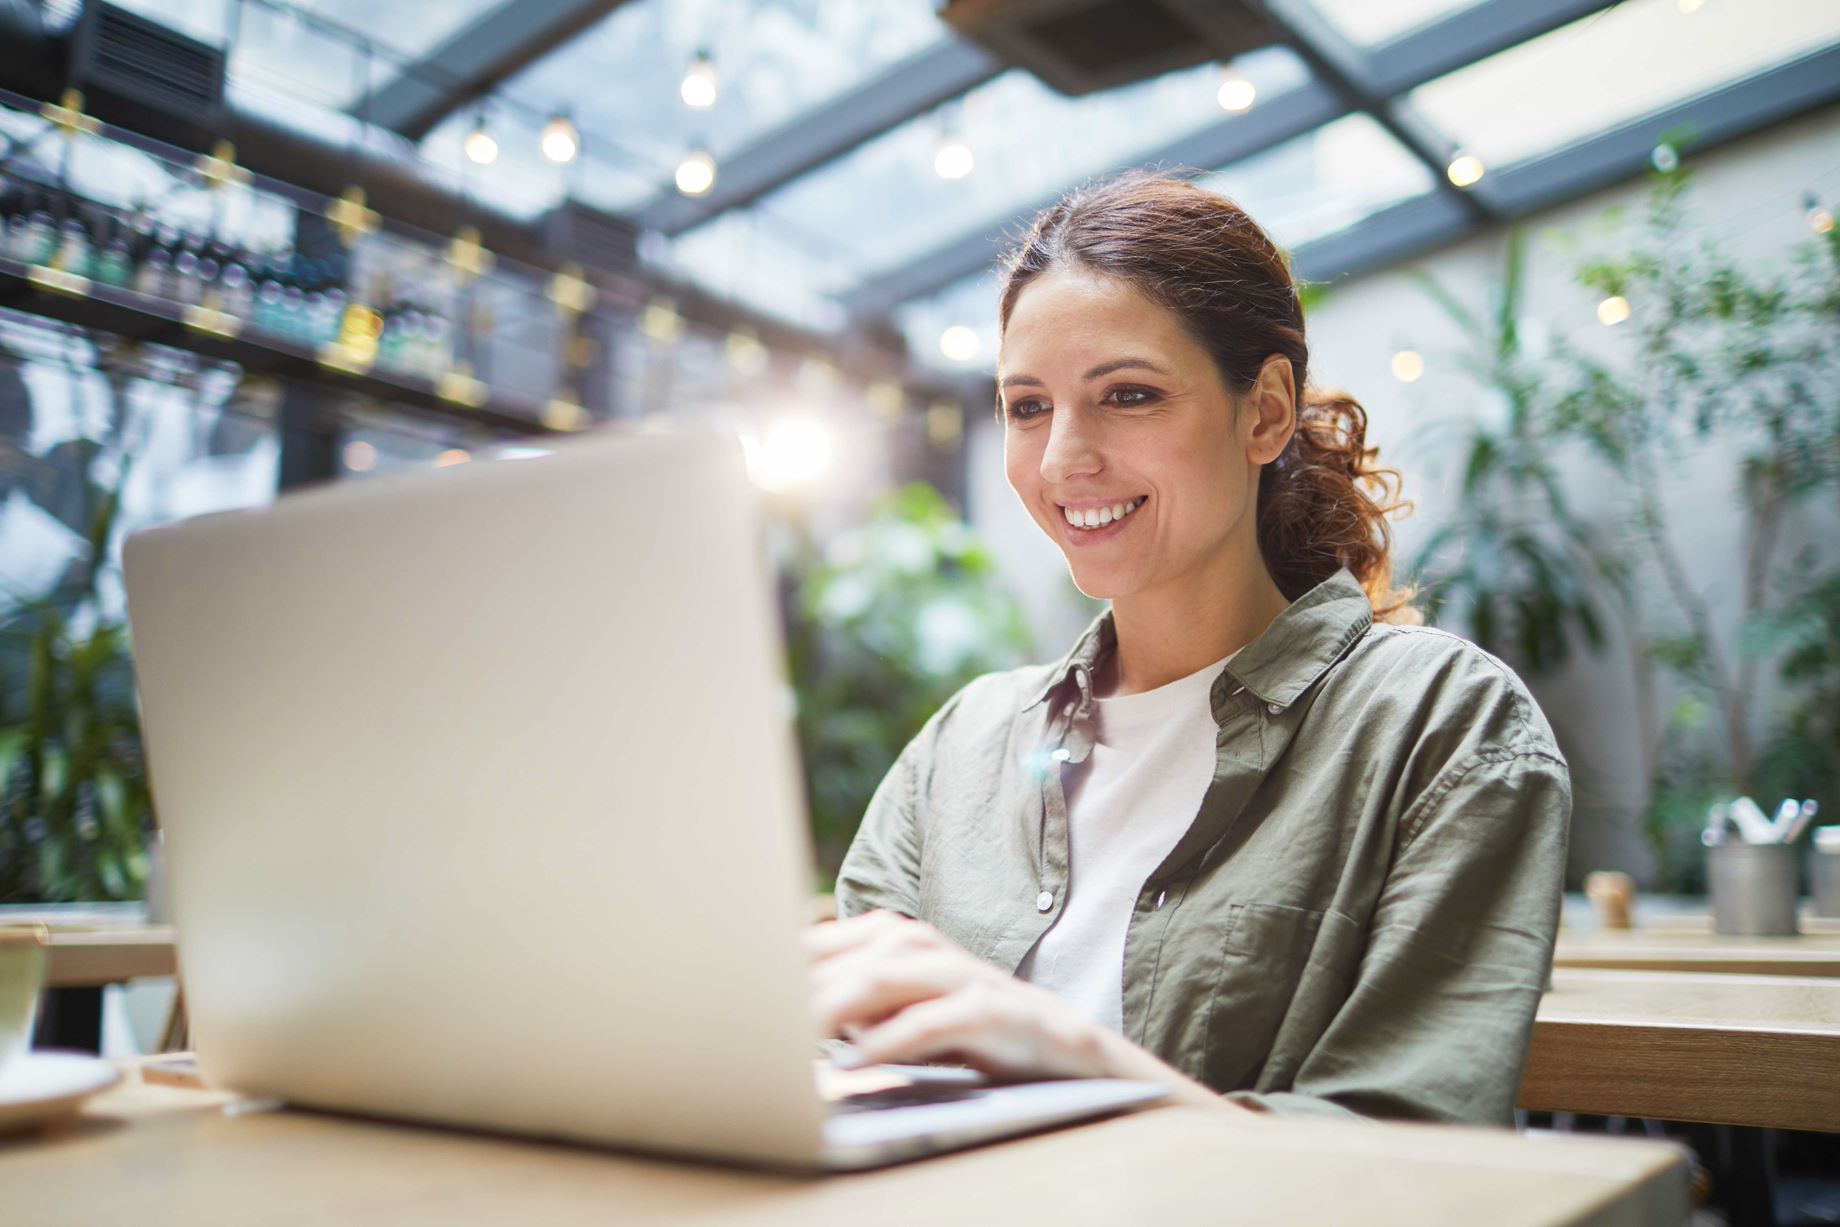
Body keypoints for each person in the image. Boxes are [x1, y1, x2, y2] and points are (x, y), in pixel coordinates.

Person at [805, 171, 1570, 1125]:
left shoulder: (1441, 729)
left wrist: (1070, 1056)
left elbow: (1410, 1163)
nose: (1061, 460)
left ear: (1266, 412)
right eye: (1027, 405)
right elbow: (844, 1082)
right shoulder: (959, 750)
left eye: (1127, 394)